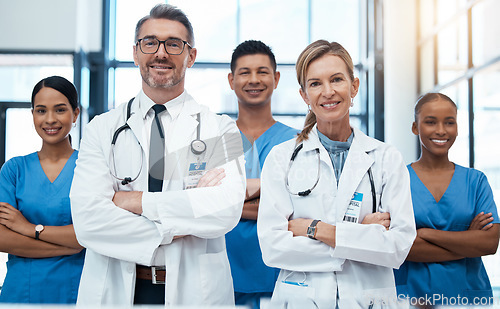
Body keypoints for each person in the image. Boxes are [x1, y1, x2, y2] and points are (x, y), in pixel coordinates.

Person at [69, 4, 245, 307]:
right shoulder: (102, 128)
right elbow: (88, 222)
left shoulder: (219, 127)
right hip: (116, 290)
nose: (160, 53)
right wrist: (175, 225)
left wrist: (133, 201)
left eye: (174, 44)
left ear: (191, 56)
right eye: (150, 42)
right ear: (136, 53)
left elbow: (223, 211)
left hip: (195, 293)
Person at [256, 40, 416, 308]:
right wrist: (360, 236)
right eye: (315, 83)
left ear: (354, 86)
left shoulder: (386, 158)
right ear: (304, 96)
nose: (327, 92)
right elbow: (274, 248)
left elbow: (398, 247)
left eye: (337, 80)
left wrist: (316, 229)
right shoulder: (282, 158)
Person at [393, 93, 500, 307]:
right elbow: (399, 248)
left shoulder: (476, 181)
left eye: (449, 122)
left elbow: (489, 243)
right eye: (430, 122)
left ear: (457, 127)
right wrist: (468, 239)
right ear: (416, 127)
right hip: (412, 298)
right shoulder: (397, 180)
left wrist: (425, 234)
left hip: (467, 298)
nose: (441, 130)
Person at [225, 40, 299, 308]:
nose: (253, 80)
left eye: (262, 71)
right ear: (231, 80)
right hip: (223, 274)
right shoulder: (213, 140)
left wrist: (227, 200)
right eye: (244, 72)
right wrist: (273, 200)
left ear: (276, 78)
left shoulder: (298, 143)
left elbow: (299, 209)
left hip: (281, 276)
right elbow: (199, 203)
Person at [0, 76, 84, 304]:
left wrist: (28, 228)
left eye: (59, 110)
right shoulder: (14, 170)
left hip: (75, 291)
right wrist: (67, 247)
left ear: (75, 114)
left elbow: (89, 234)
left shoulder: (90, 168)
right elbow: (2, 238)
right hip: (21, 292)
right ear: (32, 115)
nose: (50, 120)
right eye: (41, 110)